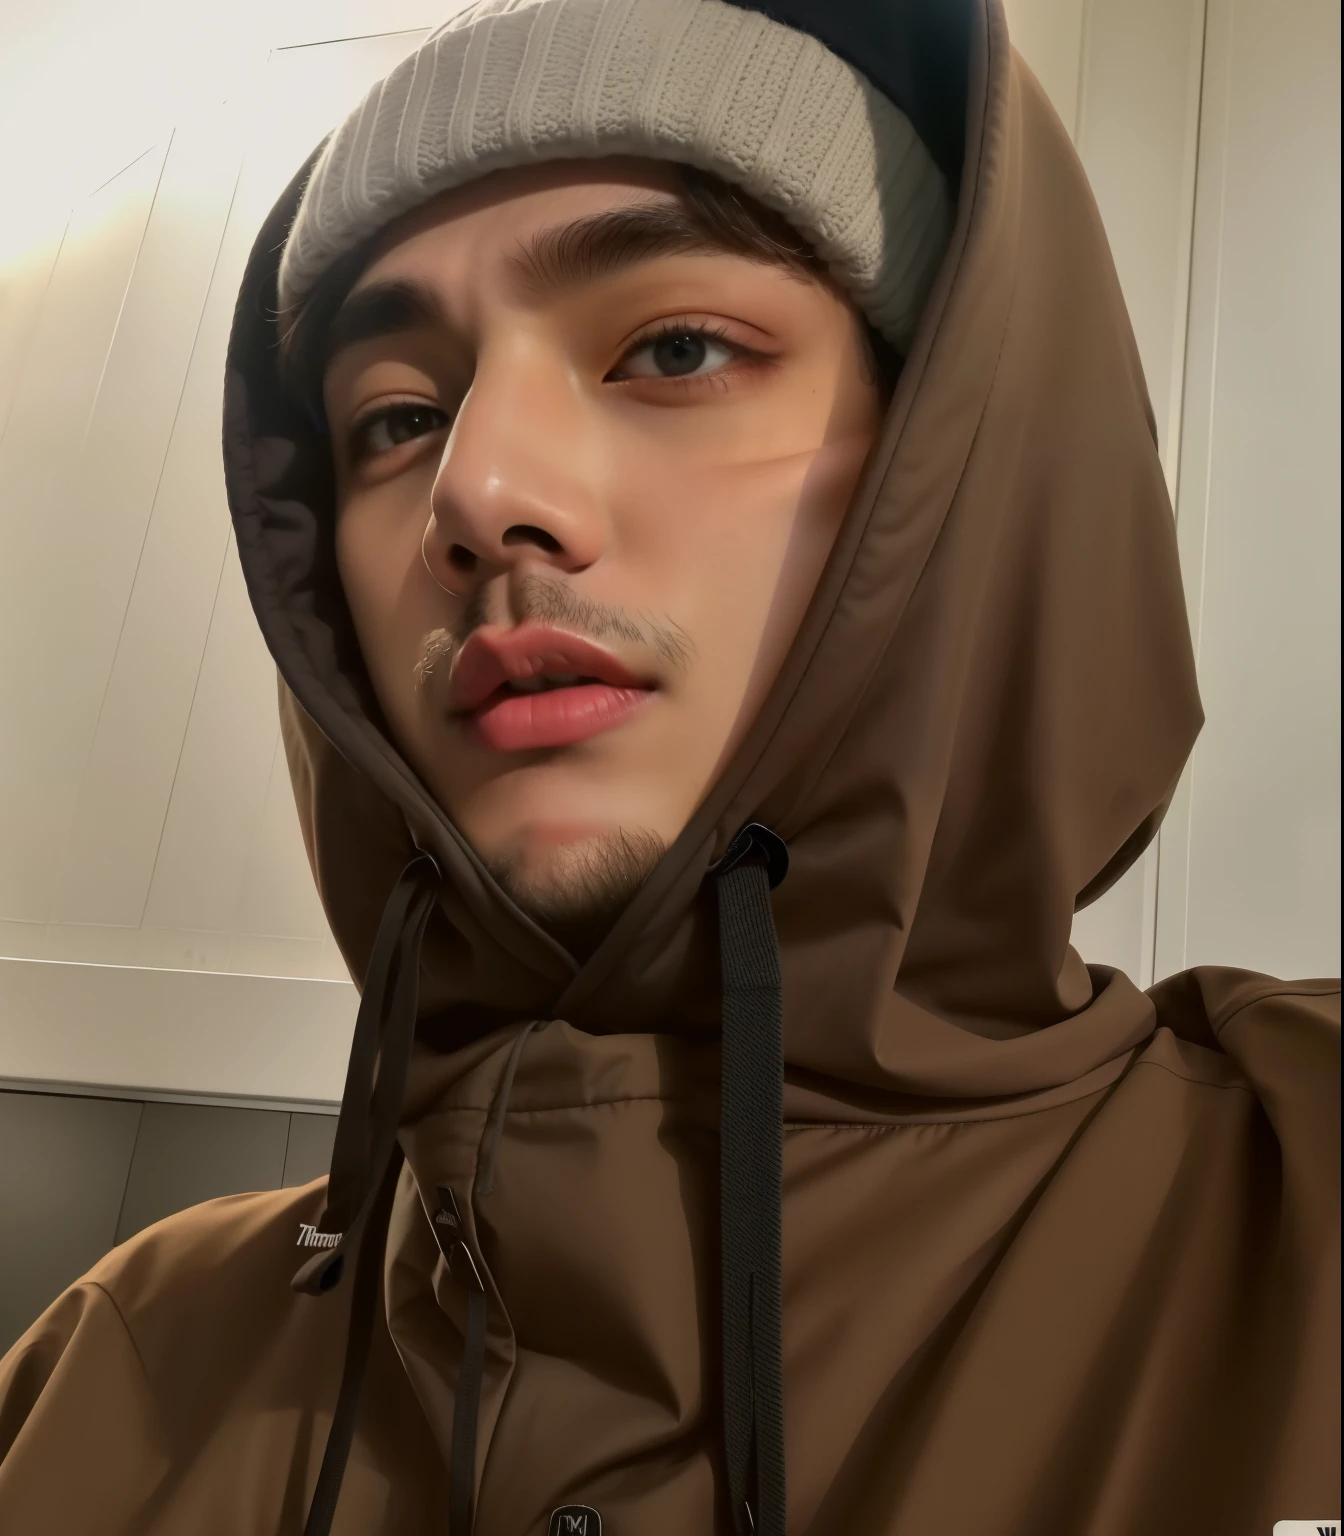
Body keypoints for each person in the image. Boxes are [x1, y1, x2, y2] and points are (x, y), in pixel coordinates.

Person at [1, 1, 1338, 1532]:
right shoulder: (118, 1380)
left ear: (970, 464)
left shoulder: (1303, 1211)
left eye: (677, 348)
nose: (474, 491)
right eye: (399, 418)